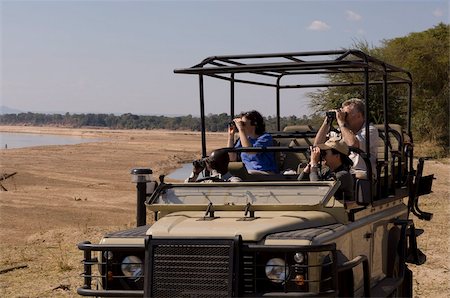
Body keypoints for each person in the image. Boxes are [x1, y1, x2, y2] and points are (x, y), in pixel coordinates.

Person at [314, 98, 378, 179]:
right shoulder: (341, 131)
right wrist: (327, 122)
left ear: (359, 116)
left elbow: (353, 144)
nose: (344, 117)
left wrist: (341, 122)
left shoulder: (370, 130)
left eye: (346, 114)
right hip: (338, 172)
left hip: (359, 173)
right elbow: (317, 145)